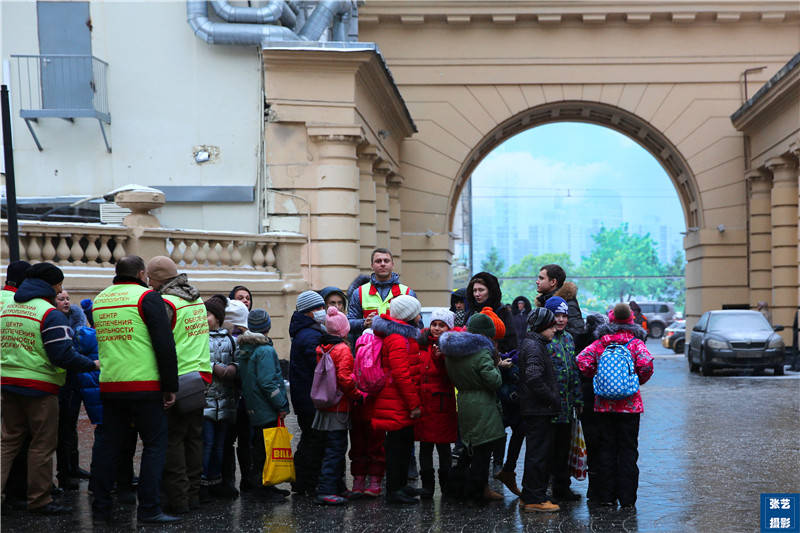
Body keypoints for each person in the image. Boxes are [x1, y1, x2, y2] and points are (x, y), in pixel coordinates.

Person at [0, 263, 99, 515]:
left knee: (8, 443)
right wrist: (91, 363)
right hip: (40, 388)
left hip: (8, 383)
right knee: (42, 445)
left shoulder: (9, 308)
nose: (61, 289)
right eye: (60, 285)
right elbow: (62, 355)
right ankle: (39, 499)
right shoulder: (48, 312)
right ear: (53, 285)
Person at [90, 255, 181, 524]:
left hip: (111, 384)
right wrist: (170, 386)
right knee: (154, 445)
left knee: (108, 446)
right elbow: (164, 344)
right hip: (144, 384)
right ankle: (149, 508)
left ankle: (101, 508)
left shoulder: (101, 299)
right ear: (142, 274)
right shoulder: (147, 297)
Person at [146, 256, 212, 514]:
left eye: (150, 278)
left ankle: (178, 499)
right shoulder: (194, 298)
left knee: (173, 439)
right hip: (201, 375)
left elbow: (160, 341)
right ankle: (194, 494)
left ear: (157, 278)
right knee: (194, 438)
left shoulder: (166, 303)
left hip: (179, 378)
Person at [576, 303, 654, 508]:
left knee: (606, 450)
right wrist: (635, 380)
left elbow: (582, 360)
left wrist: (598, 377)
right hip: (630, 406)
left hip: (604, 406)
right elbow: (646, 364)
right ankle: (628, 499)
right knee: (628, 450)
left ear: (610, 321)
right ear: (631, 320)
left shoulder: (601, 342)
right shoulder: (636, 343)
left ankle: (607, 496)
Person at [440, 313, 505, 504]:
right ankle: (476, 492)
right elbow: (494, 381)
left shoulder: (452, 351)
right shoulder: (482, 353)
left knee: (469, 449)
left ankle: (455, 488)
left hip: (465, 400)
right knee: (483, 451)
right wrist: (498, 364)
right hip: (482, 404)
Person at [370, 295, 423, 504]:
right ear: (409, 316)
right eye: (417, 312)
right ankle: (394, 490)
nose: (420, 316)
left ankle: (401, 485)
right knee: (396, 447)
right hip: (397, 400)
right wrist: (414, 405)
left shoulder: (403, 336)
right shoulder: (397, 339)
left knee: (404, 443)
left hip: (399, 400)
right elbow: (402, 375)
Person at [237, 309, 290, 500]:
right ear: (268, 326)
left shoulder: (244, 348)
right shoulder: (265, 350)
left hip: (253, 406)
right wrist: (281, 404)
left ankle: (264, 485)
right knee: (264, 449)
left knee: (259, 447)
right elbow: (269, 383)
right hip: (266, 408)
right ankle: (262, 488)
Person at [313, 306, 360, 505]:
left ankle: (339, 487)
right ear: (344, 330)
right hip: (339, 407)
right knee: (335, 449)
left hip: (325, 404)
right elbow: (345, 378)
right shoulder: (342, 349)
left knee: (331, 448)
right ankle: (326, 490)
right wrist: (357, 395)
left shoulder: (323, 347)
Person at [518, 307, 561, 513]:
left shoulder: (533, 342)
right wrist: (552, 398)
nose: (555, 329)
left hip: (535, 409)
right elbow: (534, 376)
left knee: (536, 453)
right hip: (538, 410)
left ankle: (530, 494)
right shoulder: (534, 346)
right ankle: (534, 498)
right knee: (538, 454)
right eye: (551, 326)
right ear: (542, 326)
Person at [415, 308, 458, 499]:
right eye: (434, 324)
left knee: (443, 448)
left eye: (442, 325)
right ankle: (427, 486)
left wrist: (442, 359)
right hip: (425, 405)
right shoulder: (422, 344)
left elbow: (451, 376)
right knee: (424, 448)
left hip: (442, 406)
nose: (437, 328)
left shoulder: (452, 348)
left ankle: (447, 486)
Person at [543, 296, 583, 503]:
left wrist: (578, 399)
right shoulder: (544, 338)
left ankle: (562, 487)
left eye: (564, 316)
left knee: (563, 449)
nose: (561, 320)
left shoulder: (568, 338)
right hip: (549, 406)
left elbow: (574, 371)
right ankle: (542, 488)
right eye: (557, 315)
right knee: (547, 449)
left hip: (567, 407)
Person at [288, 290, 328, 496]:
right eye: (318, 308)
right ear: (308, 312)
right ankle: (307, 481)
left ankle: (302, 480)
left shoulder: (307, 330)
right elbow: (319, 365)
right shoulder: (310, 335)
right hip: (310, 397)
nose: (323, 311)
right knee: (314, 439)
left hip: (304, 395)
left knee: (309, 437)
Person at [201, 296, 239, 499]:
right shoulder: (199, 338)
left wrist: (233, 368)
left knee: (219, 445)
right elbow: (196, 359)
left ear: (217, 318)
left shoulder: (230, 339)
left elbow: (237, 359)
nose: (203, 318)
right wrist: (214, 368)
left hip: (225, 400)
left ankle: (216, 481)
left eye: (207, 315)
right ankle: (203, 483)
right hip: (206, 399)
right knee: (206, 444)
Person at [54, 289, 90, 490]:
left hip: (75, 380)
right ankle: (64, 472)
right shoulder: (53, 321)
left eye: (68, 298)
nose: (66, 302)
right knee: (62, 428)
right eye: (61, 299)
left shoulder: (78, 321)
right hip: (60, 381)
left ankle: (73, 466)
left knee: (71, 425)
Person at [218, 296, 253, 493]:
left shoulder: (217, 339)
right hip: (243, 399)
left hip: (225, 399)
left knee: (227, 442)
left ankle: (228, 482)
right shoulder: (249, 342)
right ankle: (246, 480)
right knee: (245, 442)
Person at [347, 248, 417, 337]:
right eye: (378, 261)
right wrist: (364, 323)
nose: (382, 264)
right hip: (369, 347)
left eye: (386, 261)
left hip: (397, 346)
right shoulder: (359, 292)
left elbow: (418, 324)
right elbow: (349, 323)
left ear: (392, 264)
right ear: (372, 265)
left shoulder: (407, 292)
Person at [535, 264, 587, 351]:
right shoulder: (544, 301)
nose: (537, 281)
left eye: (541, 278)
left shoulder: (568, 304)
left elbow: (577, 334)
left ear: (553, 282)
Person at [465, 272, 517, 353]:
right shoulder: (470, 312)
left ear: (490, 291)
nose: (477, 294)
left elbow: (510, 342)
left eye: (481, 290)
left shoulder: (502, 312)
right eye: (474, 290)